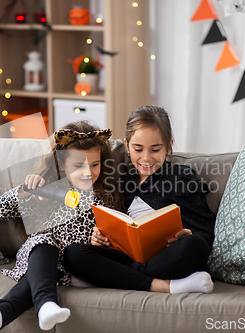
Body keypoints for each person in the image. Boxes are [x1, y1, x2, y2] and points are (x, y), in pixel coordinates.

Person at [0, 121, 119, 332]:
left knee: (43, 273)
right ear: (61, 165)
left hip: (75, 267)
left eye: (94, 164)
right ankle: (37, 307)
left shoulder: (104, 196)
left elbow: (116, 233)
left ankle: (5, 312)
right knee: (44, 243)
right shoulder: (46, 190)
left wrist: (101, 239)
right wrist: (23, 191)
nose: (88, 172)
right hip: (42, 260)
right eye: (79, 166)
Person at [63, 105, 216, 294]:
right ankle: (162, 285)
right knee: (74, 253)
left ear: (169, 146)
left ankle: (117, 277)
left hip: (166, 257)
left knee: (196, 246)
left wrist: (189, 234)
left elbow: (205, 230)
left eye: (155, 149)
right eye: (138, 149)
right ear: (127, 146)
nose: (146, 158)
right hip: (128, 256)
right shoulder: (120, 181)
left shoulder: (180, 177)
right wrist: (99, 237)